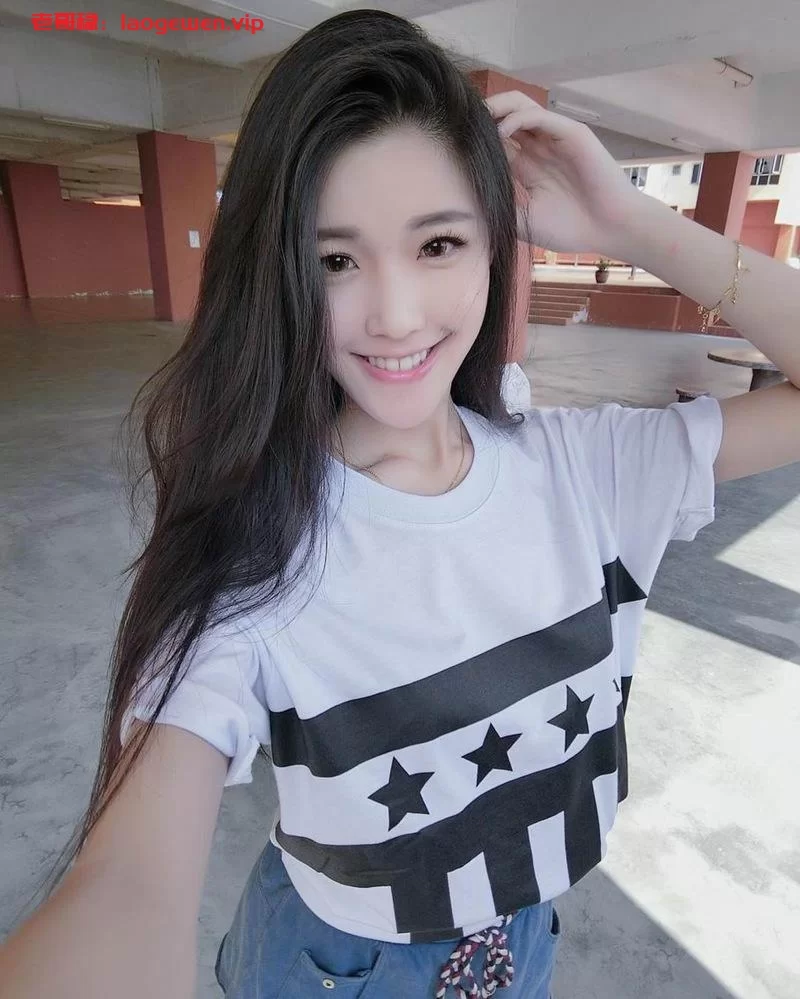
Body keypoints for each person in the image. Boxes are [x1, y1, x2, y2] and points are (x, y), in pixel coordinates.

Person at [2, 10, 799, 999]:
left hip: (522, 937)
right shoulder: (255, 548)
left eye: (438, 243)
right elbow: (128, 888)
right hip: (336, 967)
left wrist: (626, 223)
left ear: (492, 245)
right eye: (335, 259)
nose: (394, 314)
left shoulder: (590, 472)